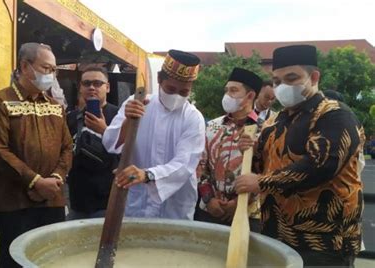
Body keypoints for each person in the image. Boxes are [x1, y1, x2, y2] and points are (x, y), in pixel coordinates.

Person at [236, 45, 365, 267]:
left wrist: (261, 182)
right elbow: (262, 165)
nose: (282, 86)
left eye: (291, 78)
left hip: (323, 242)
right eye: (276, 81)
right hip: (276, 234)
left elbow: (320, 166)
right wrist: (249, 150)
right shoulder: (273, 122)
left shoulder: (334, 115)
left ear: (314, 77)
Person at [0, 42, 73, 268]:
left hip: (53, 199)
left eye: (54, 70)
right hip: (15, 202)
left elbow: (67, 148)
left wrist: (57, 179)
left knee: (51, 260)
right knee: (15, 261)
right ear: (25, 66)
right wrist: (35, 181)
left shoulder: (55, 106)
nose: (51, 74)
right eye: (46, 68)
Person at [102, 49, 206, 220]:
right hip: (136, 202)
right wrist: (128, 121)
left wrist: (148, 175)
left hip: (174, 208)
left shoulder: (193, 118)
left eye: (183, 92)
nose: (176, 96)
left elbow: (184, 165)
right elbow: (110, 143)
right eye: (171, 89)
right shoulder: (136, 103)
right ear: (159, 79)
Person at [195, 67, 262, 232]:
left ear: (250, 96)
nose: (227, 96)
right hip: (209, 211)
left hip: (246, 215)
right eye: (226, 90)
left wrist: (239, 202)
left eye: (233, 90)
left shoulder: (265, 130)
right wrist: (209, 199)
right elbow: (201, 166)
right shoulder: (212, 126)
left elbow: (267, 174)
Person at [66, 66, 119, 220]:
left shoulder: (120, 117)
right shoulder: (71, 118)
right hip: (77, 201)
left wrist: (105, 130)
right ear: (80, 88)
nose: (91, 88)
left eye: (97, 83)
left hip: (108, 200)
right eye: (86, 83)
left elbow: (128, 152)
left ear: (107, 87)